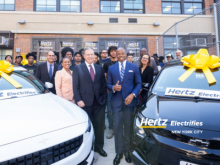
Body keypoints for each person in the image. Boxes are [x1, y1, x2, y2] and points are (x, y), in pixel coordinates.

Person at [107, 48, 142, 165]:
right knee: (117, 127)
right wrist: (113, 87)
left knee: (128, 127)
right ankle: (119, 152)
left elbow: (138, 84)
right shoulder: (111, 68)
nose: (120, 55)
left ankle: (127, 151)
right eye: (118, 54)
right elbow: (108, 83)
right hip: (116, 102)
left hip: (129, 102)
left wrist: (133, 95)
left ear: (126, 54)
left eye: (122, 53)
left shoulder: (134, 67)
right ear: (115, 55)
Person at [73, 47, 107, 157]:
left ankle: (99, 147)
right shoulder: (78, 68)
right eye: (88, 54)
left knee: (100, 126)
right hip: (85, 102)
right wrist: (78, 100)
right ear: (84, 56)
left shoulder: (99, 68)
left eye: (92, 54)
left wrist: (104, 99)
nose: (90, 56)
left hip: (99, 102)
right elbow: (75, 86)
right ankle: (88, 148)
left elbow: (103, 84)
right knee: (87, 127)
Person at [103, 46, 118, 139]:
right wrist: (108, 87)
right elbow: (105, 77)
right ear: (109, 53)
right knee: (110, 110)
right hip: (110, 90)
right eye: (112, 51)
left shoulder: (121, 62)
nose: (114, 53)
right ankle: (111, 128)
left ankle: (119, 128)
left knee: (120, 109)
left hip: (120, 90)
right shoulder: (106, 63)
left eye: (115, 51)